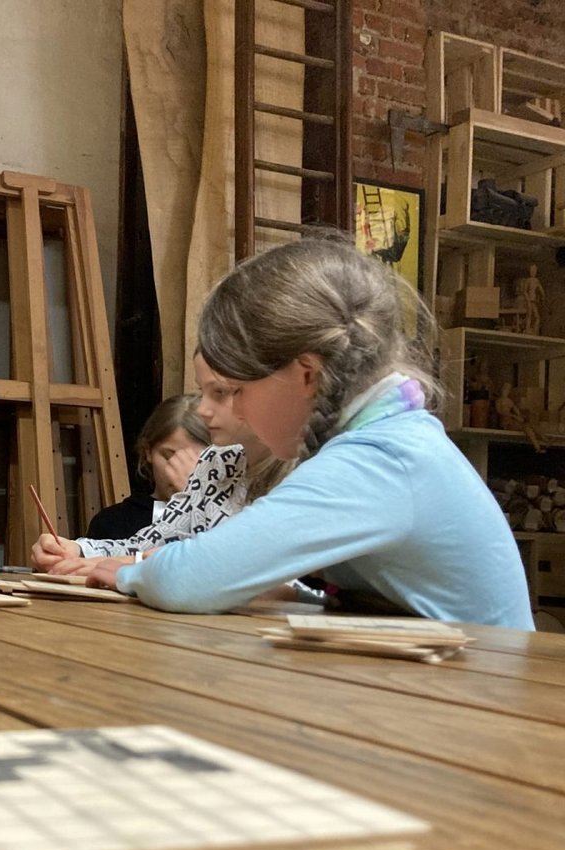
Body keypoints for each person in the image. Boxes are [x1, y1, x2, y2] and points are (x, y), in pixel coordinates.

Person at [90, 236, 533, 629]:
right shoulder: (391, 438)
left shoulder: (380, 458)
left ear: (306, 375)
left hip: (481, 703)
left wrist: (128, 574)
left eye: (234, 390)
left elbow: (190, 580)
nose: (221, 409)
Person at [32, 353, 288, 572]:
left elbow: (233, 562)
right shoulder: (216, 461)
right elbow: (157, 539)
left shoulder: (299, 469)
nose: (203, 409)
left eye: (219, 393)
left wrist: (130, 565)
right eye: (203, 391)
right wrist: (78, 549)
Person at [82, 393, 209, 540]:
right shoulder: (112, 523)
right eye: (169, 456)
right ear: (148, 451)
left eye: (196, 459)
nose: (180, 469)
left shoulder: (230, 522)